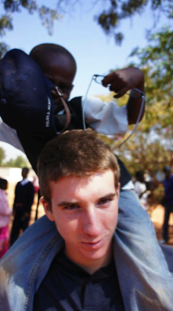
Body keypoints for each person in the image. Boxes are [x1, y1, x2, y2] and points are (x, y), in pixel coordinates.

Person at [0, 44, 173, 305]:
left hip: (119, 195)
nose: (57, 92)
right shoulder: (18, 125)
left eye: (65, 86)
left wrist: (138, 80)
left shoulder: (82, 108)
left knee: (149, 263)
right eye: (47, 81)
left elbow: (129, 116)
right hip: (63, 205)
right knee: (12, 267)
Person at [0, 129, 172, 311]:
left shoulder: (167, 268)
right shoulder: (26, 285)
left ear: (118, 194)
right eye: (72, 207)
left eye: (104, 201)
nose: (93, 229)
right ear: (47, 208)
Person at [10, 167, 35, 246]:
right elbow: (15, 197)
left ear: (27, 173)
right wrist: (14, 208)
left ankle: (24, 245)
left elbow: (31, 199)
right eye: (22, 172)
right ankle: (13, 244)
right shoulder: (18, 184)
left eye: (24, 172)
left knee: (24, 227)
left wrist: (27, 211)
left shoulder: (30, 185)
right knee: (15, 227)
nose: (23, 173)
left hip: (25, 210)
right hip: (18, 209)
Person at [160, 165, 173, 244]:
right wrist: (163, 199)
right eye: (166, 171)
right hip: (168, 204)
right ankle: (165, 238)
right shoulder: (165, 180)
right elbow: (166, 191)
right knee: (165, 221)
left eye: (169, 171)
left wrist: (166, 197)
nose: (168, 172)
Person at [0, 178, 12, 259]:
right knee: (3, 243)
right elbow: (4, 210)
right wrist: (10, 210)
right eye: (5, 184)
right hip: (2, 223)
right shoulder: (2, 196)